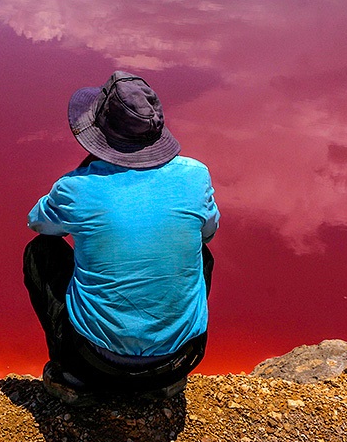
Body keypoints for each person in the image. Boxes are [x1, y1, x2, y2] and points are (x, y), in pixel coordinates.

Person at [23, 71, 220, 404]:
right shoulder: (195, 175)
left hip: (96, 363)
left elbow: (39, 224)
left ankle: (74, 378)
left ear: (99, 133)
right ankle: (163, 377)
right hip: (181, 358)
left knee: (40, 252)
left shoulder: (76, 187)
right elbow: (209, 232)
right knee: (200, 250)